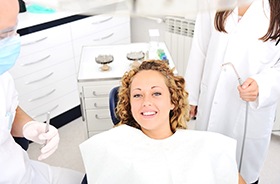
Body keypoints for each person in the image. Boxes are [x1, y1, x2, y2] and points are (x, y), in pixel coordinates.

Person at [80, 60, 245, 184]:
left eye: (156, 93)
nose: (146, 101)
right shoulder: (111, 146)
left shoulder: (207, 145)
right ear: (129, 105)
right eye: (137, 95)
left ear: (172, 100)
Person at [184, 0, 280, 183]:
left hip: (251, 112)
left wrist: (264, 85)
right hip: (211, 99)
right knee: (207, 171)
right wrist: (192, 96)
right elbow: (200, 49)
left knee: (242, 175)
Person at [0, 0, 84, 183]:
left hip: (27, 172)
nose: (13, 40)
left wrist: (28, 126)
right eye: (4, 34)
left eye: (14, 30)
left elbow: (8, 111)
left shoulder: (3, 76)